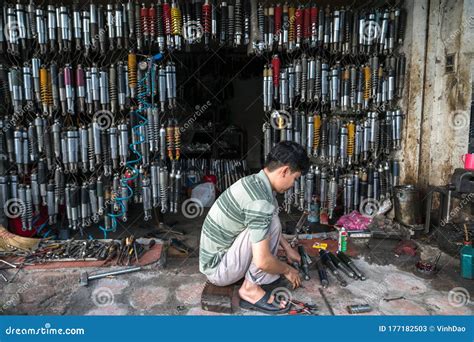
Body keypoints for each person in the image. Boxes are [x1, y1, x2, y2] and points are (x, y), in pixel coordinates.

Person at [199, 141, 310, 314]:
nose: (292, 185)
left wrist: (287, 248)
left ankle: (257, 278)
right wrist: (288, 270)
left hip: (220, 257)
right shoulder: (260, 202)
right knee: (271, 224)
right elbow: (262, 261)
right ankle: (250, 289)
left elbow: (265, 223)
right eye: (294, 179)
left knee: (270, 220)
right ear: (285, 171)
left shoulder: (256, 182)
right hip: (218, 270)